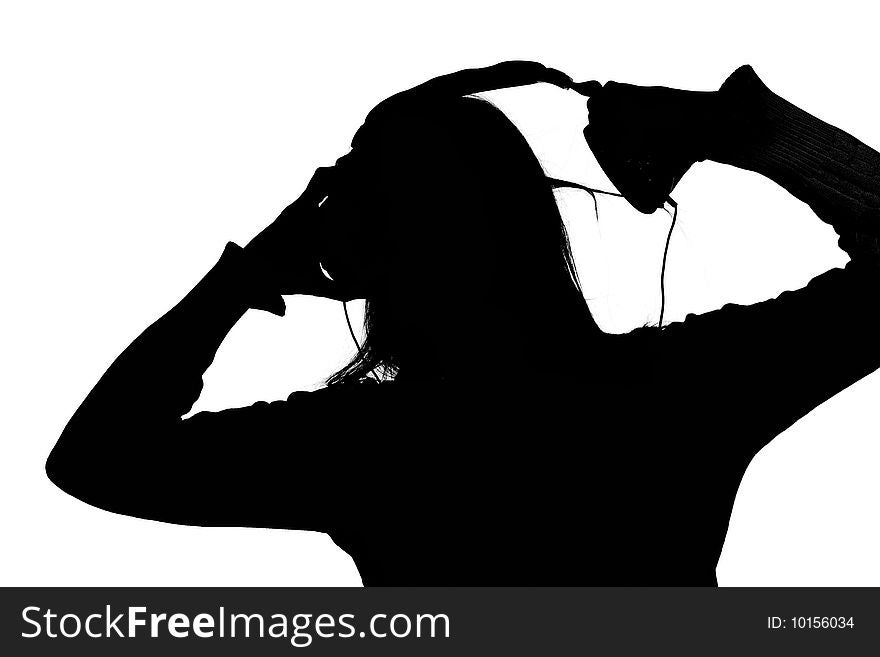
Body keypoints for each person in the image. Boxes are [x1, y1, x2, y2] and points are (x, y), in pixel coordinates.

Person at [46, 64, 880, 585]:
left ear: (363, 251)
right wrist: (749, 132)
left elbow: (98, 460)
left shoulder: (370, 445)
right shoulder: (679, 389)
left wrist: (240, 279)